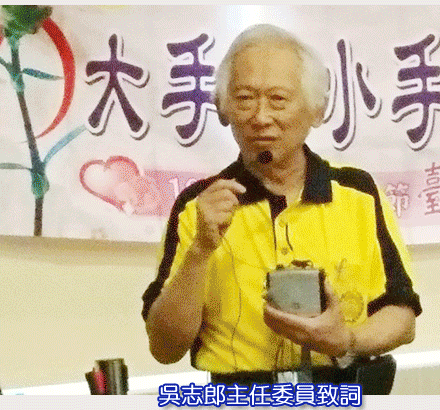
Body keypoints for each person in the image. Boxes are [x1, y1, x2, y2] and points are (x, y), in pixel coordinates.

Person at [142, 24, 421, 388]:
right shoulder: (198, 206)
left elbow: (401, 316)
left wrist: (345, 341)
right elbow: (164, 348)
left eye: (278, 99)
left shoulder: (358, 194)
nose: (260, 117)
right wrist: (200, 251)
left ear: (317, 110)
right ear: (223, 109)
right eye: (245, 98)